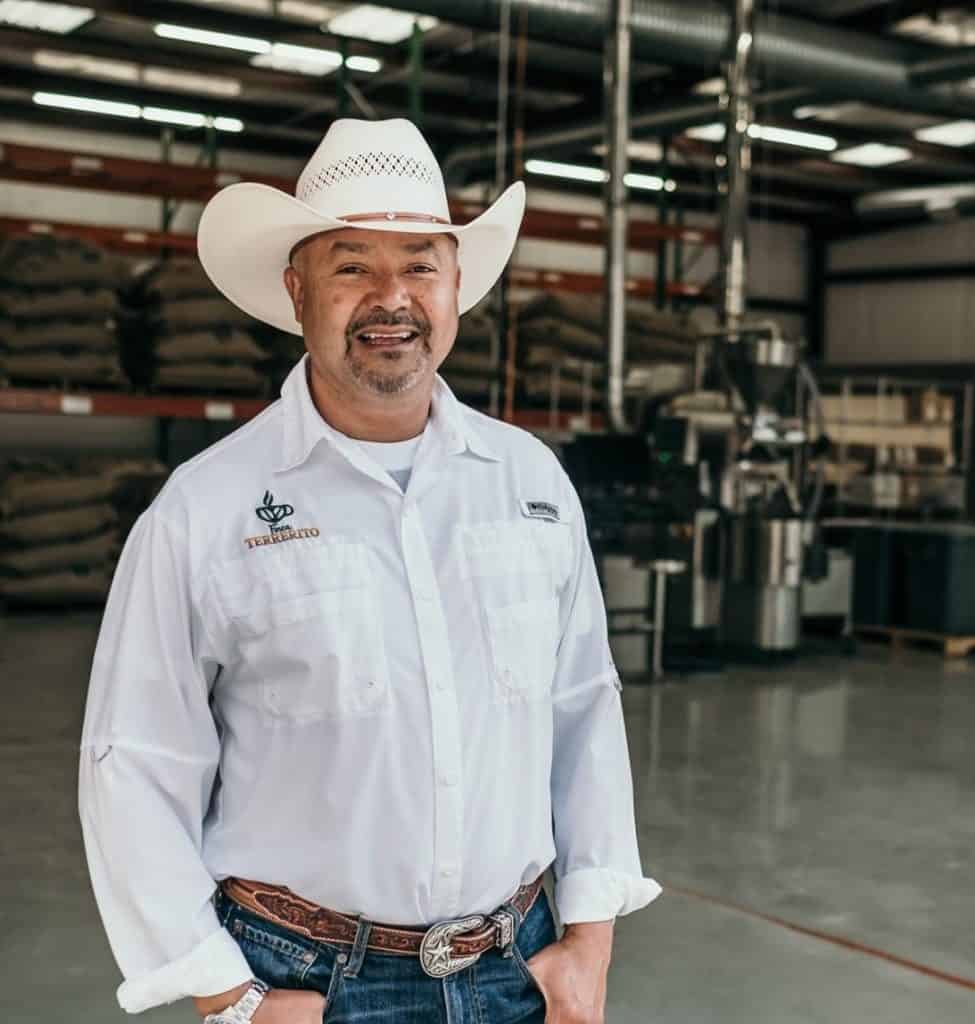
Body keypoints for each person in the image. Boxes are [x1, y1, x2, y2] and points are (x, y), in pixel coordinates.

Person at [79, 117, 660, 1024]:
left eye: (420, 264)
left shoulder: (529, 481)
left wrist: (588, 943)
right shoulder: (207, 508)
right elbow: (135, 760)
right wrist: (229, 997)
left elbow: (584, 710)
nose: (392, 297)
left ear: (457, 286)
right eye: (352, 266)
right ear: (297, 290)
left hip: (518, 969)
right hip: (306, 984)